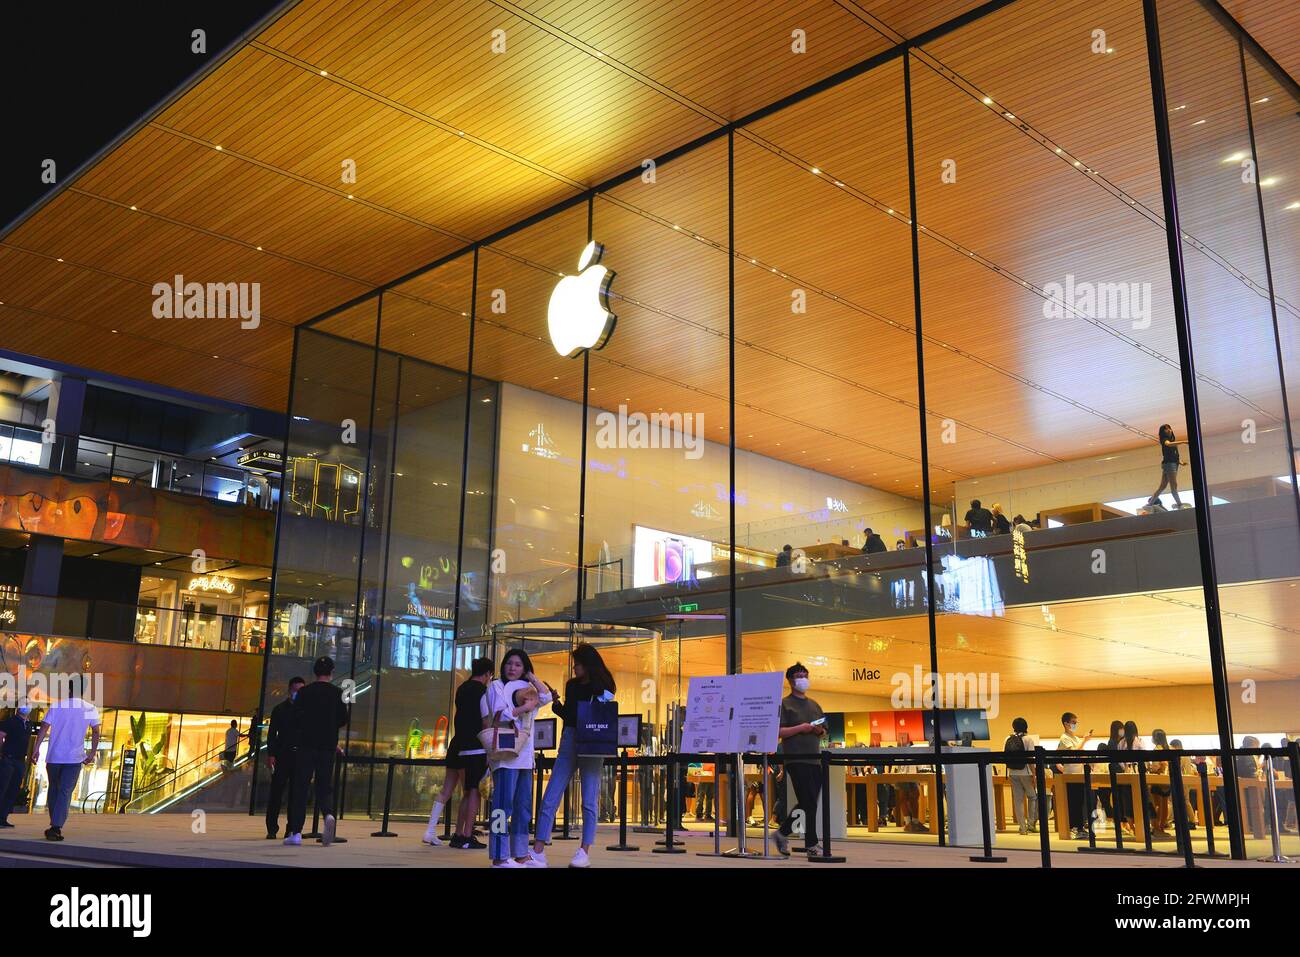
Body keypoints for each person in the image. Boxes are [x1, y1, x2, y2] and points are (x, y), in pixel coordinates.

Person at [531, 643, 616, 868]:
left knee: (589, 800)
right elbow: (570, 716)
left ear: (588, 664)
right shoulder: (572, 686)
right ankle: (538, 850)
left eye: (577, 664)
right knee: (551, 795)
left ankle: (583, 850)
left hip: (593, 742)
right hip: (570, 738)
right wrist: (556, 702)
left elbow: (604, 704)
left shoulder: (603, 684)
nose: (574, 668)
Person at [481, 648, 551, 868]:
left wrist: (531, 676)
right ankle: (500, 856)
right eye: (509, 663)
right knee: (502, 807)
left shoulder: (527, 689)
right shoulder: (496, 687)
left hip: (524, 756)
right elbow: (500, 714)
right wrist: (524, 708)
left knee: (523, 807)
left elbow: (547, 696)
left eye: (518, 664)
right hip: (504, 755)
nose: (512, 668)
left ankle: (520, 853)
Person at [425, 657, 493, 848]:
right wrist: (490, 749)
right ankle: (465, 835)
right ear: (488, 674)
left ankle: (436, 830)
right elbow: (485, 721)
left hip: (458, 744)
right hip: (475, 746)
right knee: (473, 791)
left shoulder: (462, 689)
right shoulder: (483, 692)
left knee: (453, 790)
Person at [284, 656, 349, 847]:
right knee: (324, 785)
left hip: (306, 745)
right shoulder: (337, 693)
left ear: (315, 672)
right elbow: (343, 719)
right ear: (332, 672)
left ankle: (296, 832)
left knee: (301, 787)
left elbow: (295, 717)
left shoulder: (304, 692)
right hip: (328, 746)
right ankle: (328, 814)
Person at [30, 677, 101, 841]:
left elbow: (44, 727)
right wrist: (91, 753)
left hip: (54, 756)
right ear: (84, 690)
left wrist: (36, 749)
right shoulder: (90, 708)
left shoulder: (57, 706)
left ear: (68, 688)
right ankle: (56, 826)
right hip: (74, 758)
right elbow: (96, 731)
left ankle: (54, 823)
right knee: (65, 791)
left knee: (54, 788)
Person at [773, 662, 826, 857]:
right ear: (790, 680)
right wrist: (801, 728)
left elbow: (823, 729)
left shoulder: (814, 704)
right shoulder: (785, 704)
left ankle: (782, 832)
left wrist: (818, 730)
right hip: (795, 759)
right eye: (798, 676)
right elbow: (778, 731)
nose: (802, 679)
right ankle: (811, 843)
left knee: (809, 802)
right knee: (808, 800)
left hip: (815, 760)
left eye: (805, 675)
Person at [264, 676, 304, 839]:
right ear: (290, 690)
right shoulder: (280, 710)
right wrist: (272, 754)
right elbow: (272, 734)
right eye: (296, 690)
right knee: (276, 793)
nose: (298, 694)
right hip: (282, 755)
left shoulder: (305, 711)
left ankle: (291, 827)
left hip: (299, 756)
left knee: (295, 795)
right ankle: (272, 828)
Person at [1054, 712, 1093, 839]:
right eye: (1073, 723)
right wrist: (1084, 740)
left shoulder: (1076, 738)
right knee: (1073, 802)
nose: (1075, 725)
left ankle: (1080, 827)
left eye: (1076, 723)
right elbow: (1074, 751)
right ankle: (1074, 828)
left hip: (1079, 773)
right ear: (1066, 723)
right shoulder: (1064, 738)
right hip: (1070, 775)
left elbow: (1080, 753)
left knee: (1081, 801)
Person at [0, 706, 32, 827]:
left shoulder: (28, 724)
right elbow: (1, 736)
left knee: (13, 789)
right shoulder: (10, 721)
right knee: (3, 787)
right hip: (8, 758)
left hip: (20, 760)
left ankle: (3, 817)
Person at [1004, 717, 1037, 835]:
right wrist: (1034, 774)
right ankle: (1031, 824)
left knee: (1018, 800)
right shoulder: (1028, 739)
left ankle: (1022, 828)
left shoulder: (1008, 738)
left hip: (1012, 772)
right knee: (1032, 797)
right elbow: (1030, 758)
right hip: (1026, 772)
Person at [1148, 423, 1189, 509]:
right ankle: (1179, 504)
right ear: (1163, 432)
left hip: (1171, 464)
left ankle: (1150, 504)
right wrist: (1183, 442)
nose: (1169, 430)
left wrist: (1180, 462)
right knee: (1173, 485)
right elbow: (1168, 444)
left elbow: (1174, 453)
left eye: (1169, 428)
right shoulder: (1165, 439)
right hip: (1170, 464)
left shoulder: (1172, 439)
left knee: (1163, 486)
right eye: (1166, 429)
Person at [1148, 728, 1173, 839]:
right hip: (1167, 780)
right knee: (1164, 803)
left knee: (1157, 805)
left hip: (1158, 780)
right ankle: (1162, 826)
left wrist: (1151, 769)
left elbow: (1155, 766)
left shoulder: (1157, 749)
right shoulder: (1169, 748)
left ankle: (1157, 827)